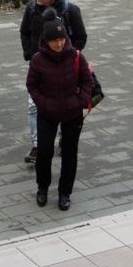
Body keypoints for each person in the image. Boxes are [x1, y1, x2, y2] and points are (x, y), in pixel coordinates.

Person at [27, 11, 95, 211]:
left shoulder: (75, 56)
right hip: (47, 113)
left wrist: (80, 101)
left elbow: (87, 81)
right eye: (54, 40)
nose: (59, 44)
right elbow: (32, 85)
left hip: (72, 113)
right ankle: (42, 188)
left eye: (62, 39)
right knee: (45, 152)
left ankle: (65, 193)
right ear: (46, 41)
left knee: (69, 153)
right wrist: (43, 103)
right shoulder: (38, 60)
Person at [19, 0, 87, 165]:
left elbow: (81, 37)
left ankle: (64, 139)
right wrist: (29, 54)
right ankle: (38, 145)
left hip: (66, 69)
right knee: (34, 106)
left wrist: (70, 55)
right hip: (40, 67)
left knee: (65, 106)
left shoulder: (69, 10)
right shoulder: (32, 8)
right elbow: (24, 32)